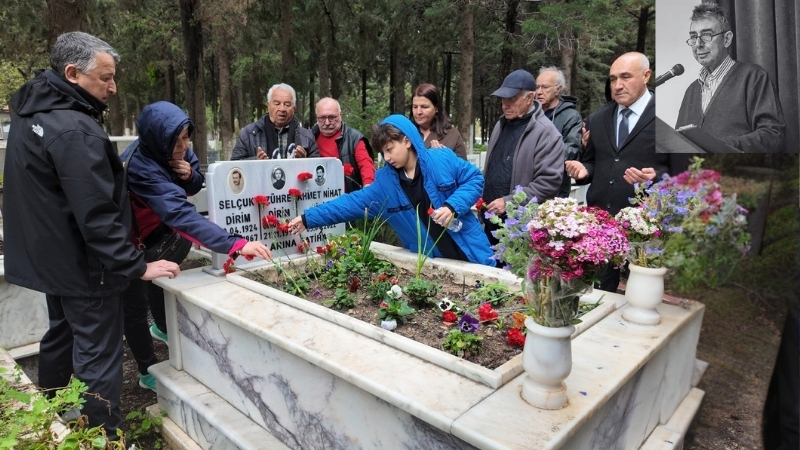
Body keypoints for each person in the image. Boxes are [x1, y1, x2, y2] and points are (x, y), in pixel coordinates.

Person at [2, 31, 181, 437]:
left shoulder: (35, 110)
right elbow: (97, 214)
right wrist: (136, 265)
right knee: (99, 356)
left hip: (53, 259)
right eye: (105, 77)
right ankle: (103, 436)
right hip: (86, 267)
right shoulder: (75, 130)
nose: (113, 87)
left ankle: (49, 413)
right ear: (72, 73)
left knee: (61, 335)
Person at [121, 101, 273, 391]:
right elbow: (180, 215)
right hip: (128, 240)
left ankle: (162, 328)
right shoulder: (141, 165)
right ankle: (147, 368)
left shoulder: (173, 144)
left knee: (162, 279)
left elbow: (193, 185)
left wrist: (189, 175)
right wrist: (236, 245)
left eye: (186, 138)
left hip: (157, 234)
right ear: (157, 139)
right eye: (176, 142)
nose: (183, 146)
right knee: (134, 306)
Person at [288, 115, 494, 266]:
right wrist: (308, 218)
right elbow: (349, 204)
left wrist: (452, 206)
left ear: (406, 140)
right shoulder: (383, 184)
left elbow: (474, 179)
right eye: (382, 152)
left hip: (473, 250)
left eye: (390, 149)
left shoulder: (442, 159)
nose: (386, 158)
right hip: (433, 263)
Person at [565, 52, 678, 293]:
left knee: (641, 294)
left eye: (625, 77)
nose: (617, 85)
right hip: (602, 223)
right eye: (613, 78)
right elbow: (594, 162)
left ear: (646, 75)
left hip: (644, 226)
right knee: (598, 293)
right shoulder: (598, 118)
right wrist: (584, 171)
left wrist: (656, 179)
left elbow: (685, 173)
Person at [675, 3, 785, 153]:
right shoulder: (691, 91)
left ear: (727, 39)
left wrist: (721, 146)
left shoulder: (754, 77)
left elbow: (773, 136)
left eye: (707, 35)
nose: (698, 44)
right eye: (694, 37)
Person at [481, 69, 564, 246]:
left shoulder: (547, 133)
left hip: (520, 228)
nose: (505, 105)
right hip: (490, 219)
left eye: (512, 99)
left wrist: (509, 202)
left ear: (529, 98)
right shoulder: (501, 124)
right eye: (503, 99)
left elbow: (548, 183)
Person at [231, 83, 319, 160]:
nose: (282, 109)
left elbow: (318, 169)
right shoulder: (248, 134)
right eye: (277, 104)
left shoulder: (307, 136)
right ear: (268, 106)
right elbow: (234, 166)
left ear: (294, 108)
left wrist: (304, 162)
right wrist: (255, 161)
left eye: (287, 104)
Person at [535, 67, 583, 198]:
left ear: (558, 89)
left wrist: (541, 150)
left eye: (545, 87)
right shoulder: (531, 114)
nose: (539, 92)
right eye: (537, 87)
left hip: (555, 188)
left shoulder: (570, 116)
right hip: (528, 185)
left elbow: (573, 151)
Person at [311, 97, 375, 192]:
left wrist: (368, 188)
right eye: (322, 118)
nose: (327, 122)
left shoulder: (354, 138)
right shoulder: (309, 137)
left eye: (332, 117)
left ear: (340, 115)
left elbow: (366, 165)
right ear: (317, 117)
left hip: (348, 199)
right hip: (317, 197)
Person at [410, 83, 467, 160]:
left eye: (424, 107)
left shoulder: (452, 136)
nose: (418, 112)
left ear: (436, 108)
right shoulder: (406, 134)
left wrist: (444, 160)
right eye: (415, 107)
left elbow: (463, 170)